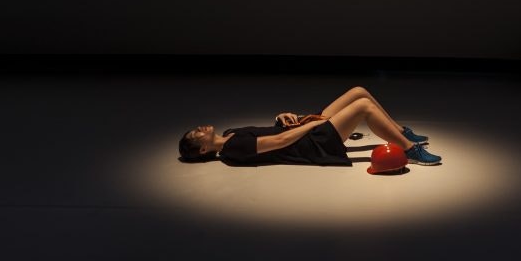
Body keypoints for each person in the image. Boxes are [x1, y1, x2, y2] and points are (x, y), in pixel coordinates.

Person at [178, 86, 441, 167]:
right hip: (310, 144)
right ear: (203, 150)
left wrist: (284, 117)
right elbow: (281, 143)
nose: (199, 128)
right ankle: (410, 150)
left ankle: (399, 131)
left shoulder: (229, 134)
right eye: (196, 134)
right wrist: (318, 124)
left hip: (302, 131)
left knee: (358, 91)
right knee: (363, 107)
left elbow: (273, 133)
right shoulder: (233, 149)